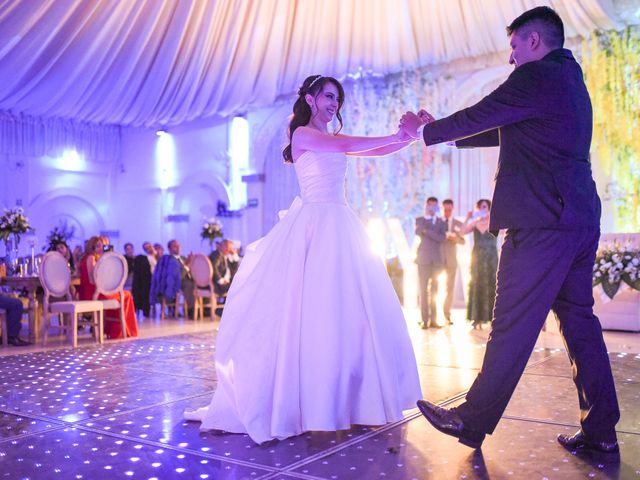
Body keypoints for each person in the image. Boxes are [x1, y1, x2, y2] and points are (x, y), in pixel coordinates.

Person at [400, 6, 620, 455]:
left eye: (515, 47)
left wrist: (425, 134)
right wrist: (438, 131)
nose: (511, 58)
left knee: (512, 324)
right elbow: (501, 124)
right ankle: (601, 432)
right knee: (580, 322)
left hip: (541, 222)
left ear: (534, 41)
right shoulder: (567, 79)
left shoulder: (536, 77)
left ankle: (473, 417)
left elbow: (488, 111)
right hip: (576, 219)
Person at [185, 74, 421, 444]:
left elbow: (367, 150)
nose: (334, 104)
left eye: (337, 99)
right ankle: (310, 402)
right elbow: (349, 143)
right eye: (328, 96)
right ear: (310, 99)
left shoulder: (330, 140)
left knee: (350, 314)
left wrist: (406, 138)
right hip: (315, 225)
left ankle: (351, 400)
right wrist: (396, 135)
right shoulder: (303, 135)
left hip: (340, 223)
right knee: (312, 313)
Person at [78, 236, 139, 338]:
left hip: (94, 292)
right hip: (93, 293)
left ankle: (114, 330)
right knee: (126, 295)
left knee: (124, 295)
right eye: (97, 246)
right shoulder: (91, 258)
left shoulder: (92, 258)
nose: (101, 248)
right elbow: (92, 280)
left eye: (102, 246)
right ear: (91, 247)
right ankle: (120, 331)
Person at [459, 199, 497, 329]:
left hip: (491, 258)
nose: (483, 209)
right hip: (477, 257)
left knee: (492, 284)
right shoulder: (475, 223)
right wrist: (468, 218)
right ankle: (476, 318)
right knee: (476, 284)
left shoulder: (494, 222)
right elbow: (462, 232)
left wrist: (493, 217)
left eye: (485, 207)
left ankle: (493, 318)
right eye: (481, 207)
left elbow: (504, 231)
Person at [415, 197, 446, 329]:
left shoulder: (441, 221)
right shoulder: (420, 220)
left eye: (435, 206)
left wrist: (427, 232)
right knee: (423, 290)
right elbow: (417, 231)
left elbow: (442, 238)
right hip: (423, 260)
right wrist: (426, 217)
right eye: (430, 206)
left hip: (437, 261)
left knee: (435, 291)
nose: (432, 208)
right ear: (426, 206)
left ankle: (433, 320)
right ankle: (424, 320)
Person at [441, 198, 465, 325]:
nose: (447, 212)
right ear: (442, 208)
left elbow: (463, 241)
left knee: (449, 289)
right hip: (437, 259)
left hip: (451, 261)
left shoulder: (457, 223)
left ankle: (447, 314)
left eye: (449, 210)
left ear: (453, 209)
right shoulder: (437, 222)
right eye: (445, 209)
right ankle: (430, 316)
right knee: (432, 288)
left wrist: (455, 238)